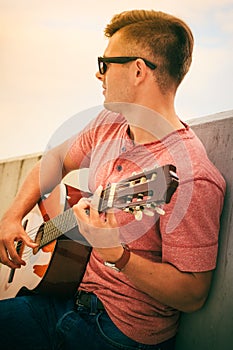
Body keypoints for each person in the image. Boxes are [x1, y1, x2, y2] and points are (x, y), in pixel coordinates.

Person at [0, 9, 225, 350]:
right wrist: (12, 217)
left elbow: (193, 294)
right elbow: (55, 161)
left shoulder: (192, 175)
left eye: (105, 63)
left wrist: (118, 255)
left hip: (119, 333)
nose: (98, 73)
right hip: (61, 298)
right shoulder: (108, 123)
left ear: (138, 70)